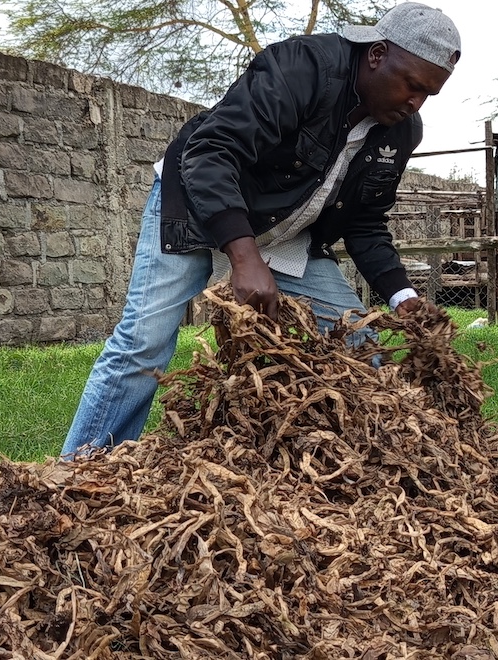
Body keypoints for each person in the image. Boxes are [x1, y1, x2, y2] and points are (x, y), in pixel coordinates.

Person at [61, 2, 462, 458]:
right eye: (412, 85)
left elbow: (366, 223)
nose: (415, 103)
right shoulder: (302, 67)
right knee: (143, 344)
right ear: (376, 54)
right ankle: (80, 472)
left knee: (359, 339)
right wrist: (245, 258)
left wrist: (402, 297)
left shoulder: (401, 131)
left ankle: (356, 464)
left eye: (428, 94)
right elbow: (210, 152)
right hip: (197, 202)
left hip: (287, 228)